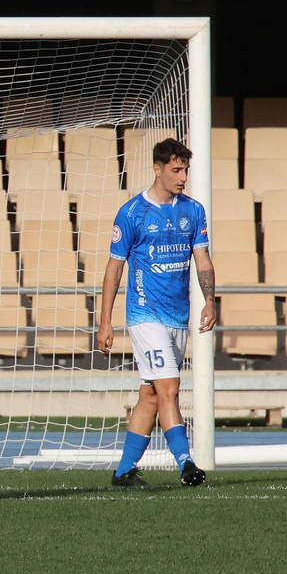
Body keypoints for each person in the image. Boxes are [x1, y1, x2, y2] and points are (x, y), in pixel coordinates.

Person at [97, 138, 216, 488]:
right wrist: (105, 320)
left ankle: (123, 472)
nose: (182, 177)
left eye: (185, 170)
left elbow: (203, 261)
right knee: (170, 387)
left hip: (177, 317)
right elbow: (113, 269)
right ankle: (186, 462)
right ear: (157, 168)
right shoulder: (132, 213)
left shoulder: (193, 211)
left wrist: (210, 300)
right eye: (176, 170)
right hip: (144, 314)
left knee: (150, 395)